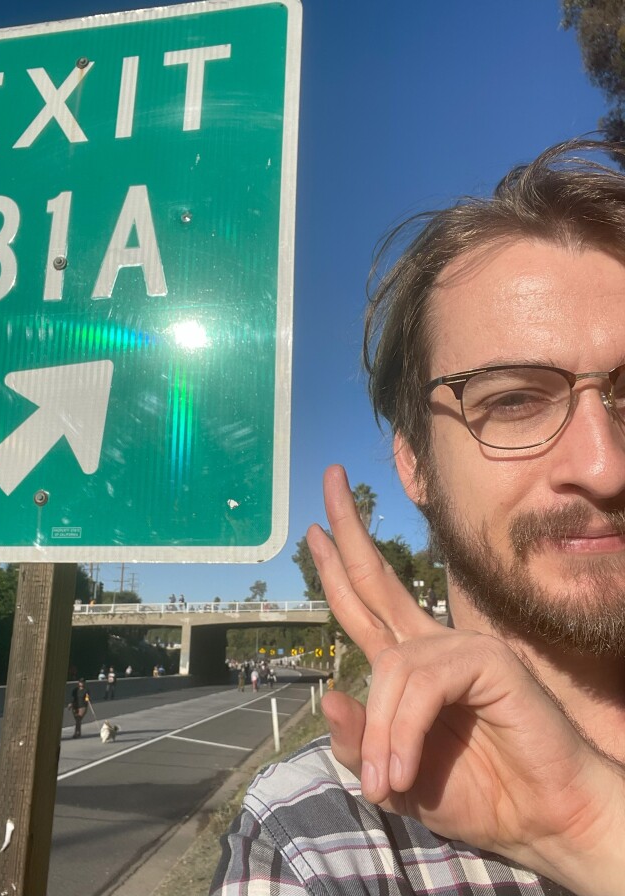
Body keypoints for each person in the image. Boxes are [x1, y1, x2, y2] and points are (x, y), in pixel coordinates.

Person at [210, 138, 625, 895]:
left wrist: (596, 829)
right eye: (514, 401)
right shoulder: (321, 844)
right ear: (416, 467)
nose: (604, 466)